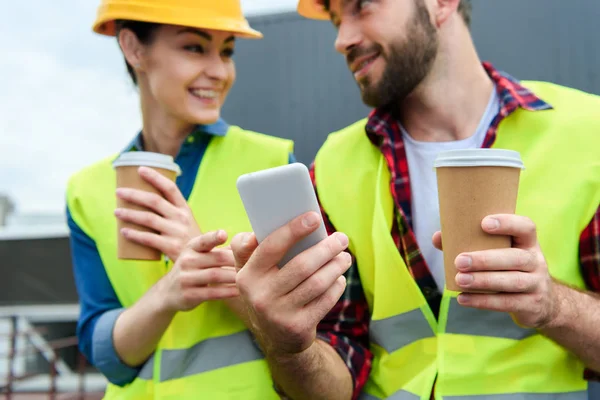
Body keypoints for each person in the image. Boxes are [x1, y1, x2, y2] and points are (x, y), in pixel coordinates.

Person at [229, 0, 600, 399]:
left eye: (361, 7)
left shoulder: (588, 134)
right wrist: (289, 347)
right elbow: (331, 383)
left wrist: (554, 306)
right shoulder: (336, 164)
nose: (342, 39)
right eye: (337, 21)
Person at [65, 1, 297, 398]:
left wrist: (209, 264)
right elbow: (104, 354)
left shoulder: (272, 163)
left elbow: (304, 322)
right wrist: (166, 294)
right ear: (134, 49)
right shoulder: (87, 190)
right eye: (195, 48)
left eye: (226, 52)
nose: (219, 71)